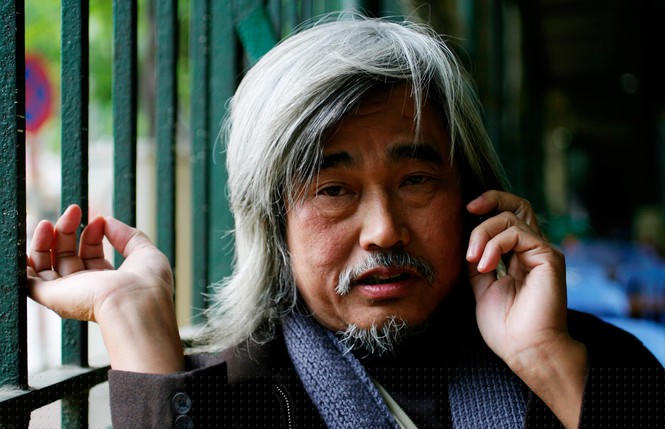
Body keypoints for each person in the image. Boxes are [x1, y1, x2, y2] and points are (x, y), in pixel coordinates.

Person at [28, 17, 661, 428]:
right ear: (274, 223)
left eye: (416, 180)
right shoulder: (229, 396)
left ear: (473, 194)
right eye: (333, 190)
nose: (384, 230)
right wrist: (137, 328)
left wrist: (545, 361)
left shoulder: (597, 364)